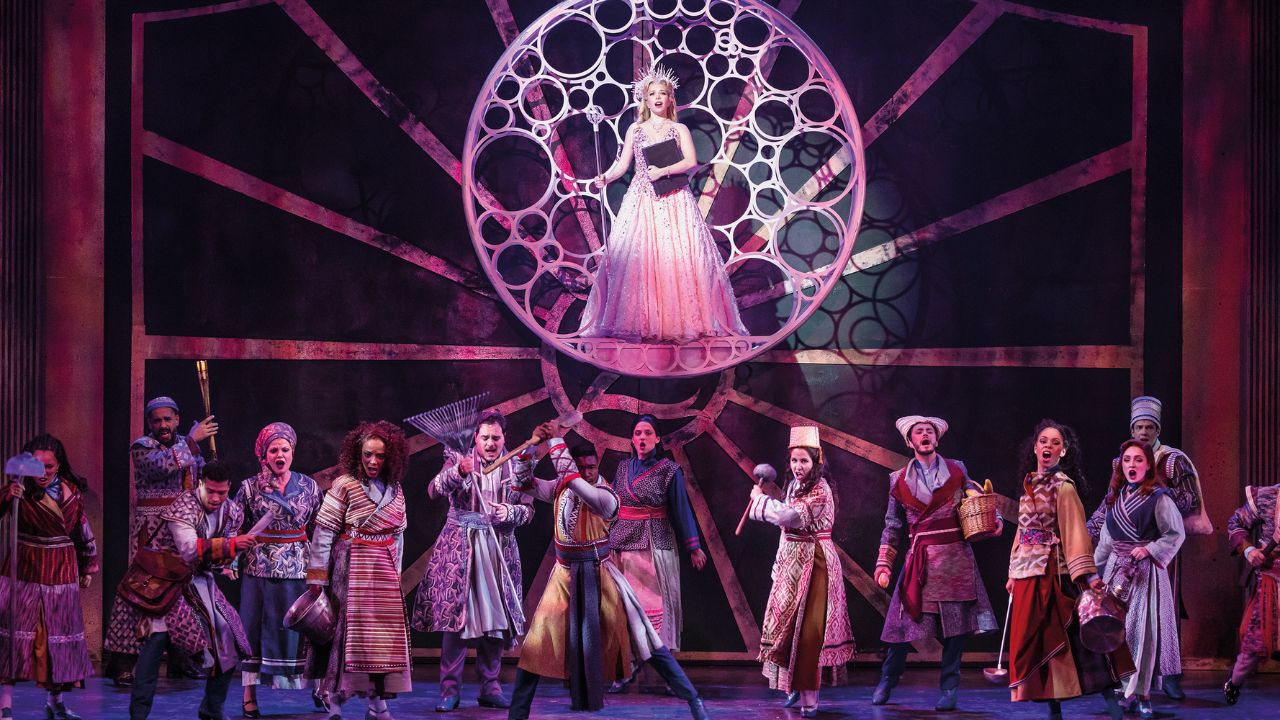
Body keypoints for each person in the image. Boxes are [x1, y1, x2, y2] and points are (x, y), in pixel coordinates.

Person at [507, 435, 709, 720]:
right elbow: (521, 483)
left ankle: (692, 698)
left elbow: (573, 480)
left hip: (599, 575)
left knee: (646, 639)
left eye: (591, 467)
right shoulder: (561, 488)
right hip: (563, 577)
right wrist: (530, 446)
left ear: (597, 466)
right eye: (581, 467)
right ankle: (516, 715)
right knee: (535, 645)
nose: (586, 472)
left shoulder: (607, 496)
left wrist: (554, 440)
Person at [578, 63, 748, 343]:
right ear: (645, 100)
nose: (657, 98)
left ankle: (679, 321)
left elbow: (691, 161)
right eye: (652, 94)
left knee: (676, 256)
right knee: (641, 258)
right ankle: (645, 320)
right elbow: (623, 165)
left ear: (670, 99)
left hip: (674, 198)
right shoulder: (635, 129)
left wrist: (664, 171)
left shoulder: (679, 129)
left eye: (662, 93)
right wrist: (606, 178)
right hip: (642, 199)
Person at [105, 460, 256, 720]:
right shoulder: (184, 506)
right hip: (166, 584)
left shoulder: (232, 511)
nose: (216, 498)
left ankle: (212, 709)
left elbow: (220, 555)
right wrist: (230, 545)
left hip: (200, 584)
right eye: (211, 491)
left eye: (221, 492)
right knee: (155, 644)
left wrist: (231, 555)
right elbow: (188, 549)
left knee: (229, 637)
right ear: (201, 484)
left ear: (229, 487)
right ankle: (138, 715)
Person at [1006, 419, 1132, 720]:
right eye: (1043, 441)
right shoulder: (1028, 486)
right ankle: (1054, 711)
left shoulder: (1063, 487)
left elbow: (1075, 532)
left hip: (1056, 573)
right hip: (1027, 574)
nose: (1048, 446)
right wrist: (1012, 572)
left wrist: (1088, 574)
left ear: (1063, 451)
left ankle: (1113, 707)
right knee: (1038, 643)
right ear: (1035, 447)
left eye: (1056, 443)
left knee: (1077, 640)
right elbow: (1022, 532)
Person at [872, 416, 999, 712]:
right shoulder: (898, 480)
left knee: (955, 628)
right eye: (919, 432)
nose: (925, 435)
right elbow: (892, 525)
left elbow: (976, 499)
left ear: (936, 439)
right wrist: (884, 564)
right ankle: (888, 678)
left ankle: (950, 686)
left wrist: (994, 520)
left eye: (929, 431)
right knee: (902, 627)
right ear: (910, 441)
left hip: (955, 557)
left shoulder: (957, 470)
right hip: (921, 559)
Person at [1085, 395, 1208, 701]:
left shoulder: (1173, 460)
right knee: (1121, 615)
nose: (1143, 432)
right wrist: (1089, 530)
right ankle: (1122, 678)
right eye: (1138, 427)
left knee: (1160, 613)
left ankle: (1167, 675)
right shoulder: (1123, 460)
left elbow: (1189, 499)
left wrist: (1152, 495)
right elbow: (1111, 501)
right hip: (1122, 549)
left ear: (1157, 430)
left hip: (1156, 543)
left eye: (1148, 427)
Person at [411, 410, 535, 712]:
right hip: (461, 547)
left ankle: (490, 687)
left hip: (498, 547)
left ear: (504, 438)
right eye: (485, 437)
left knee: (495, 621)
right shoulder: (459, 458)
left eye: (496, 438)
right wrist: (459, 472)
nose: (491, 443)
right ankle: (449, 690)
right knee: (457, 620)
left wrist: (510, 512)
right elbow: (434, 490)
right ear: (475, 438)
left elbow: (529, 509)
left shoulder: (518, 464)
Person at [105, 395, 218, 686]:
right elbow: (160, 467)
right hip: (152, 533)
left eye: (168, 419)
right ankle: (123, 662)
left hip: (182, 532)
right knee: (139, 592)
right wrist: (192, 441)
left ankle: (182, 658)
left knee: (183, 594)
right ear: (149, 423)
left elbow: (199, 483)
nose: (163, 425)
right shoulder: (142, 448)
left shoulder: (188, 446)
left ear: (177, 419)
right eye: (157, 421)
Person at [745, 426, 856, 718]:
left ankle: (810, 700)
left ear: (816, 461)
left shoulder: (820, 489)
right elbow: (786, 532)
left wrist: (759, 500)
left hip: (815, 563)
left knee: (809, 633)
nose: (798, 466)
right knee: (789, 629)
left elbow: (790, 517)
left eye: (804, 461)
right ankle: (794, 686)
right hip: (793, 562)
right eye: (794, 460)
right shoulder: (795, 486)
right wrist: (779, 564)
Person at [305, 421, 411, 720]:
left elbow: (398, 536)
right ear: (357, 454)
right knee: (346, 635)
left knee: (380, 640)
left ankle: (378, 704)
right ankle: (335, 701)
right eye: (368, 454)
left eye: (380, 455)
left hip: (383, 573)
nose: (373, 461)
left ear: (390, 457)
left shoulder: (396, 490)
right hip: (351, 567)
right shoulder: (344, 485)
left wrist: (396, 574)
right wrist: (317, 577)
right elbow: (324, 532)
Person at [606, 414, 707, 693]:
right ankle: (626, 666)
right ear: (632, 438)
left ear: (657, 438)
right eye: (638, 433)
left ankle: (670, 674)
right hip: (622, 544)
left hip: (654, 543)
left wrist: (693, 547)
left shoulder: (669, 471)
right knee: (623, 607)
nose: (642, 438)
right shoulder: (623, 468)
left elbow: (681, 508)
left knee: (657, 608)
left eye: (648, 433)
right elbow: (612, 502)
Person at [0, 435, 98, 720]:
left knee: (57, 636)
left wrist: (87, 565)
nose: (42, 473)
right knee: (14, 635)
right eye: (36, 466)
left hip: (60, 568)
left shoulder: (71, 493)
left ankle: (56, 702)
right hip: (25, 566)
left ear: (59, 464)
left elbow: (82, 529)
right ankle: (5, 704)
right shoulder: (18, 489)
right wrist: (8, 497)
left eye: (49, 466)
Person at [232, 422, 324, 717]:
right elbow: (234, 527)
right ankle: (249, 695)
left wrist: (322, 567)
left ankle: (319, 688)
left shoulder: (308, 486)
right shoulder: (249, 488)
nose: (280, 455)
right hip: (260, 566)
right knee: (253, 630)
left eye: (285, 449)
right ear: (264, 454)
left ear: (293, 452)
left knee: (308, 629)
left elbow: (320, 528)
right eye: (273, 450)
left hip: (298, 566)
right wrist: (231, 560)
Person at [1092, 440, 1184, 719]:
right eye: (1127, 460)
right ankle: (1124, 693)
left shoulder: (1159, 498)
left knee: (1143, 634)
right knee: (1117, 633)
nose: (1132, 465)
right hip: (1116, 571)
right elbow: (1106, 542)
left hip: (1145, 573)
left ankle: (1143, 695)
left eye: (1138, 460)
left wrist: (1150, 549)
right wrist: (1092, 572)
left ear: (1148, 466)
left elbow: (1175, 534)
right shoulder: (1115, 498)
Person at [1223, 479, 1280, 705]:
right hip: (1272, 581)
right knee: (1255, 643)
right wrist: (1248, 550)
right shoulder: (1267, 496)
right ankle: (1235, 681)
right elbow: (1235, 523)